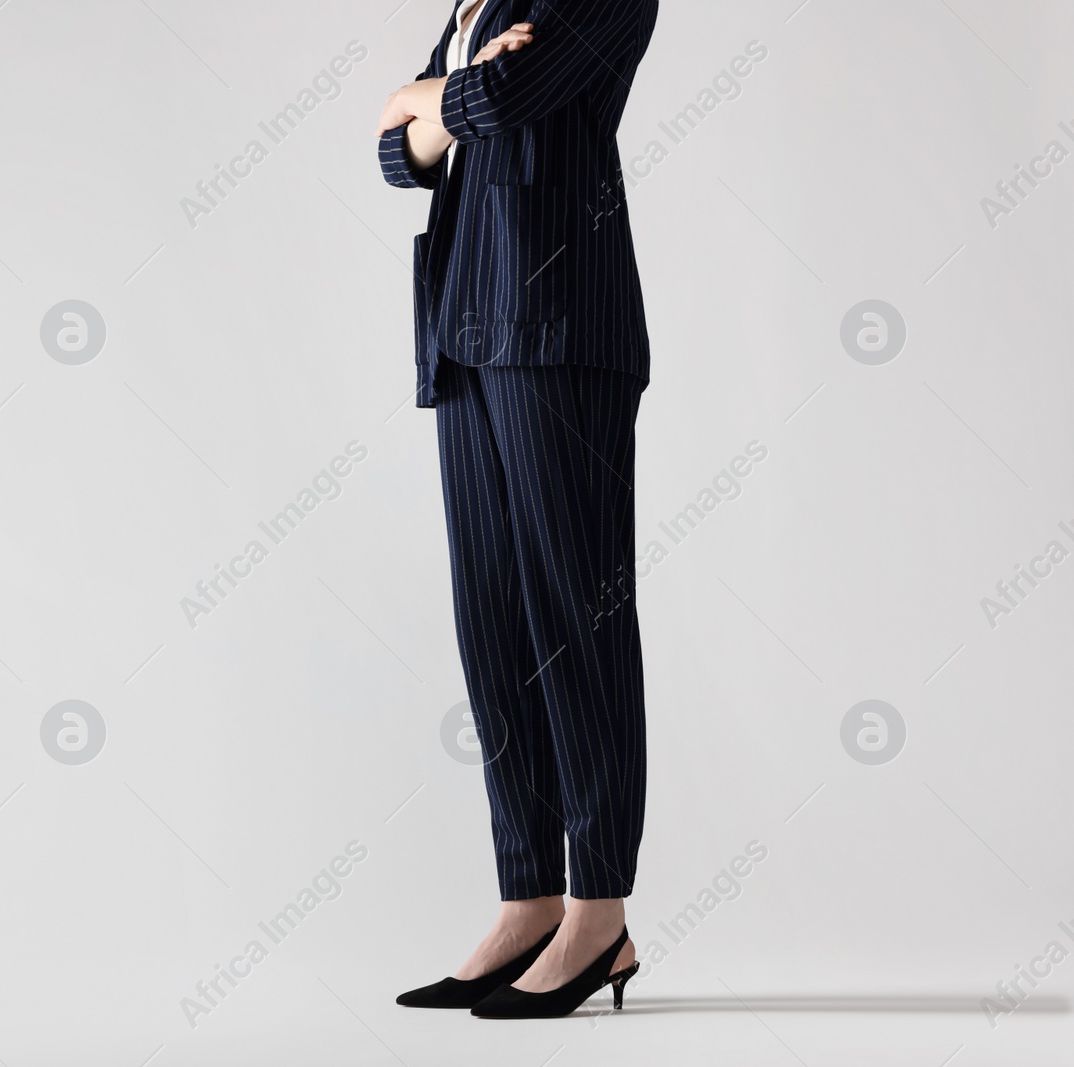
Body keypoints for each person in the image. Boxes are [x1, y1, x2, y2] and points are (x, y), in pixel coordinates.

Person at [374, 0, 661, 1019]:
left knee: (575, 624)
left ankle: (599, 910)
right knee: (493, 627)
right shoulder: (478, 5)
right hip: (460, 321)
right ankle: (529, 891)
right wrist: (436, 101)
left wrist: (429, 100)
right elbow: (393, 157)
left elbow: (503, 95)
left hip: (557, 321)